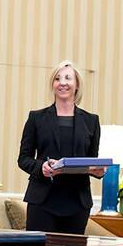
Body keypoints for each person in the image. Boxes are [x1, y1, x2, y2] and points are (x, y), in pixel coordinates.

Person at [17, 61, 104, 234]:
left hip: (78, 204)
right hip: (42, 201)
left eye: (67, 78)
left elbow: (92, 160)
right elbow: (23, 159)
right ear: (53, 84)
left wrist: (98, 171)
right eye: (57, 79)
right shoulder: (36, 118)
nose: (62, 82)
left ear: (77, 84)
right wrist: (41, 167)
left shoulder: (91, 121)